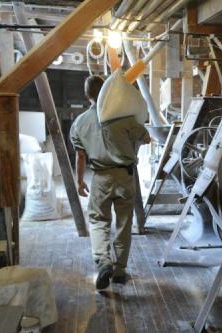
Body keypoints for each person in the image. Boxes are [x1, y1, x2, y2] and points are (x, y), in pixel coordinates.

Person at [70, 75, 150, 289]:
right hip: (125, 176)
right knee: (124, 222)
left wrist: (79, 182)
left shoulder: (79, 123)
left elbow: (80, 156)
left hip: (100, 178)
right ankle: (120, 271)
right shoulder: (124, 118)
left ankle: (104, 261)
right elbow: (147, 138)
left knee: (98, 220)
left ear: (87, 96)